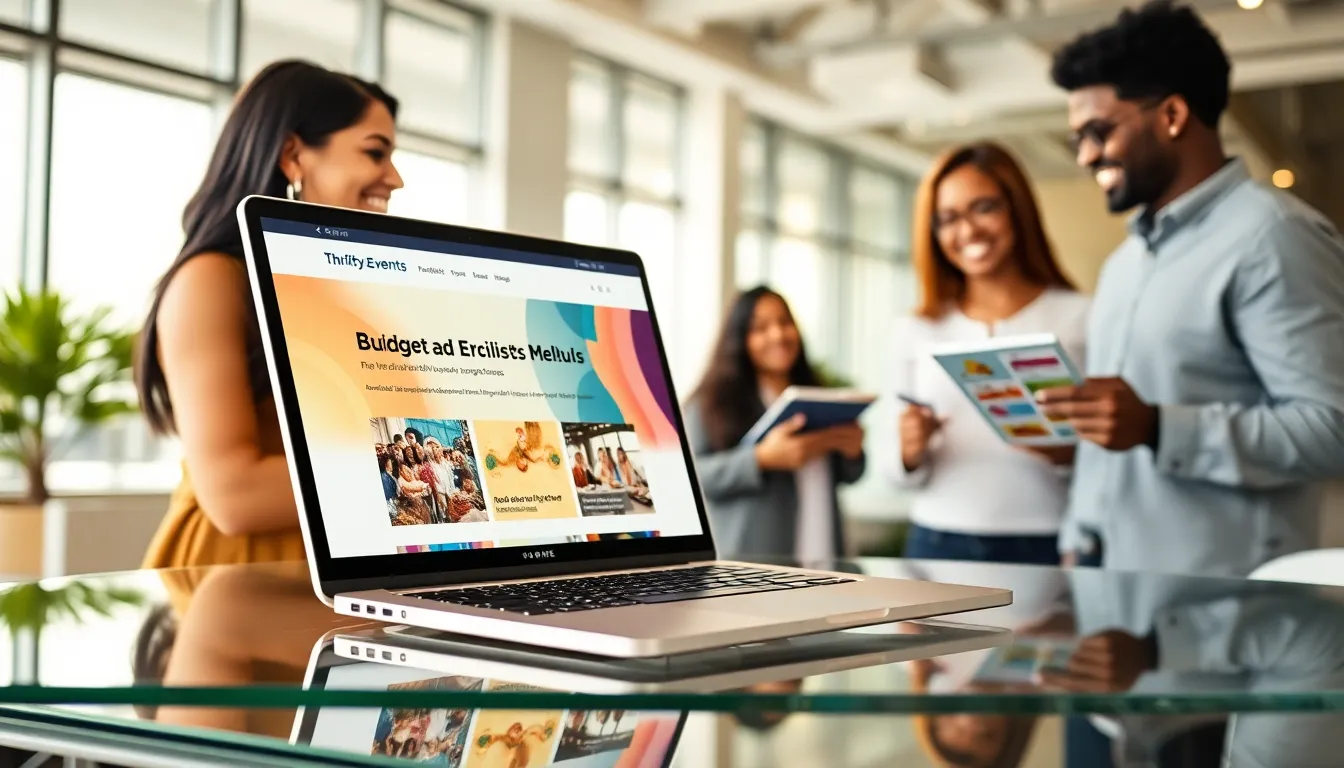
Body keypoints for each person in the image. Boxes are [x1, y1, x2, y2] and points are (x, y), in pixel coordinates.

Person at [1041, 0, 1344, 576]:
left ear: (1173, 115)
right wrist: (1080, 532)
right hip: (1114, 590)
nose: (1084, 156)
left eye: (1099, 132)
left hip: (1223, 609)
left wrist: (1159, 426)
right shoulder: (1125, 262)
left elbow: (1333, 429)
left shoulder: (1274, 237)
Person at [135, 60, 404, 568]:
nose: (395, 178)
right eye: (375, 152)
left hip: (339, 564)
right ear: (292, 155)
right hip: (235, 573)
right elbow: (234, 496)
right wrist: (408, 473)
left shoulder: (335, 289)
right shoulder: (212, 279)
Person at [891, 142, 1090, 566]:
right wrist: (909, 452)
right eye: (948, 218)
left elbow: (1112, 457)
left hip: (1046, 542)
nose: (967, 232)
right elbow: (893, 472)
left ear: (1016, 208)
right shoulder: (918, 328)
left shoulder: (1080, 316)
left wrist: (1067, 453)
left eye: (984, 208)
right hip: (935, 542)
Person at [685, 286, 866, 561]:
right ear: (740, 338)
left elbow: (849, 474)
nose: (778, 335)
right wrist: (760, 459)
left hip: (824, 551)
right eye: (761, 328)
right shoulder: (712, 402)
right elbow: (693, 477)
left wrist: (853, 451)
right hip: (753, 563)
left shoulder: (817, 393)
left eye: (785, 322)